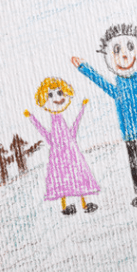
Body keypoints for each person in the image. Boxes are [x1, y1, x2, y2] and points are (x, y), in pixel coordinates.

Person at [72, 24, 137, 207]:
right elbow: (99, 81)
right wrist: (83, 67)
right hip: (129, 133)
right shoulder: (118, 90)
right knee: (136, 163)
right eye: (117, 51)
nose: (124, 55)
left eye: (130, 48)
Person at [24, 77, 100, 215]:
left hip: (70, 150)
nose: (57, 98)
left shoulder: (61, 119)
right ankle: (65, 206)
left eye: (59, 93)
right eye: (50, 95)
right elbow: (46, 134)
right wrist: (32, 118)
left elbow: (73, 129)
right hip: (59, 153)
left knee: (77, 174)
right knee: (61, 176)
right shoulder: (54, 120)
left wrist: (82, 108)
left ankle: (84, 203)